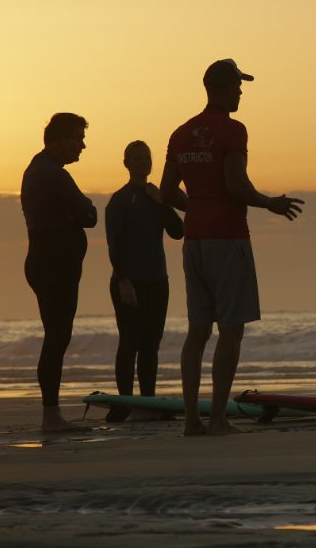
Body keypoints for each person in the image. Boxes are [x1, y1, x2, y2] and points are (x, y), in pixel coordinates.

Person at [160, 59, 304, 436]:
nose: (241, 92)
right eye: (238, 86)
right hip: (227, 237)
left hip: (195, 240)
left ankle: (192, 419)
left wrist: (197, 207)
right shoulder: (233, 130)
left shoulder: (180, 133)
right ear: (223, 88)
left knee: (197, 331)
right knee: (231, 330)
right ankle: (219, 418)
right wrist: (270, 203)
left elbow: (166, 191)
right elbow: (236, 186)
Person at [20, 112, 98, 432]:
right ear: (60, 138)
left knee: (57, 337)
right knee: (57, 338)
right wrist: (77, 212)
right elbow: (89, 214)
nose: (83, 145)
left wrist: (75, 214)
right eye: (78, 138)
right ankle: (50, 415)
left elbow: (81, 214)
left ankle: (51, 413)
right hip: (53, 264)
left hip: (49, 261)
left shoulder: (41, 169)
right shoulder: (51, 173)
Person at [103, 140, 185, 421]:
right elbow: (114, 245)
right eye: (136, 158)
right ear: (126, 163)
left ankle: (149, 400)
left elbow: (178, 231)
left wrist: (162, 202)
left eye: (146, 157)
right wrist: (123, 280)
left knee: (152, 343)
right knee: (130, 341)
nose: (142, 162)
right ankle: (124, 401)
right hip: (129, 281)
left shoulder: (155, 197)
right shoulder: (120, 200)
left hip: (158, 279)